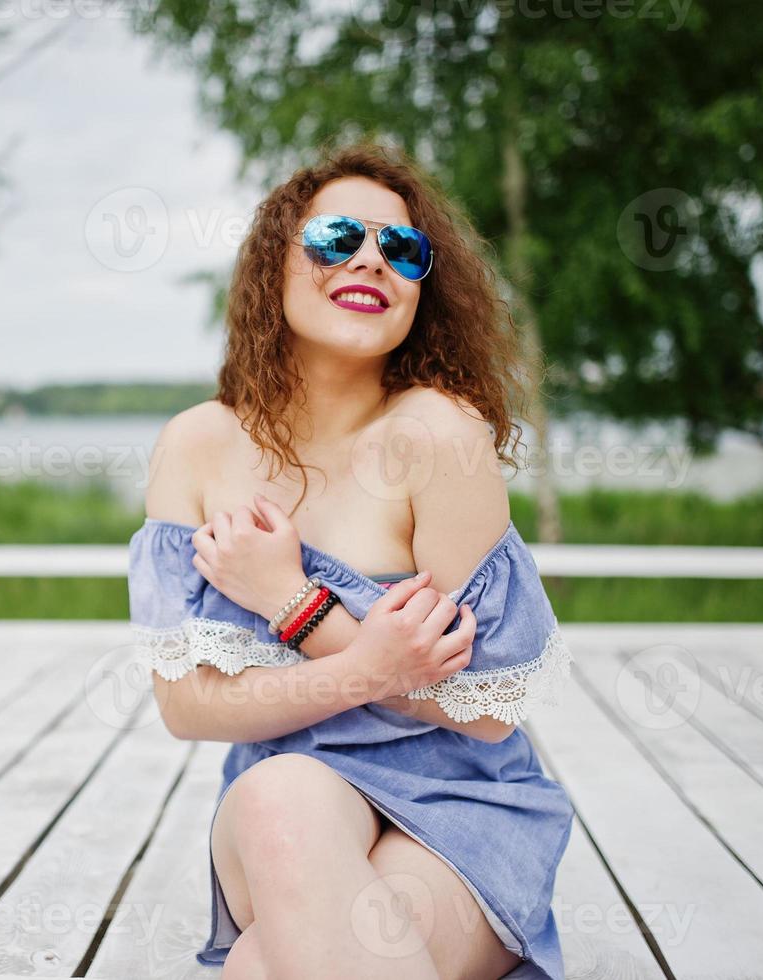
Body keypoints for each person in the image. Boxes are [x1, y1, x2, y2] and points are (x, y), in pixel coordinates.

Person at [126, 140, 576, 980]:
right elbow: (189, 708)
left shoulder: (439, 436)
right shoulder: (194, 447)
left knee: (264, 965)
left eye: (402, 248)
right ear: (276, 262)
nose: (371, 257)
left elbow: (485, 712)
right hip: (283, 806)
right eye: (337, 237)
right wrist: (367, 661)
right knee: (278, 791)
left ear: (421, 289)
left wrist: (295, 604)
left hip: (457, 806)